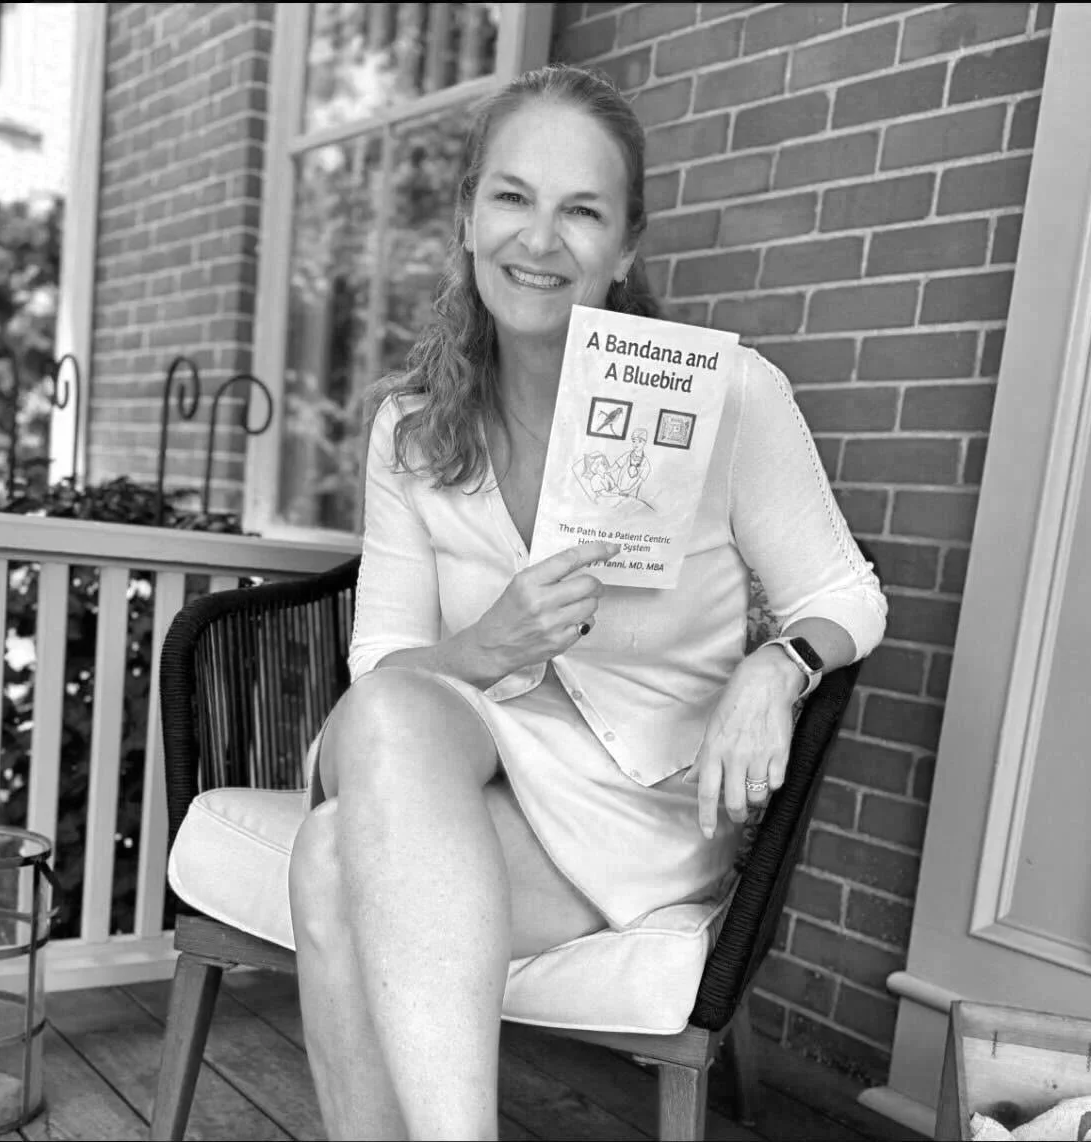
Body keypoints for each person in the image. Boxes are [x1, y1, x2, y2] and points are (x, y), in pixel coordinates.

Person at [287, 63, 888, 1141]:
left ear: (628, 245)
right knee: (379, 719)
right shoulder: (413, 430)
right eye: (513, 198)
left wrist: (778, 665)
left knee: (331, 861)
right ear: (469, 215)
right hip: (474, 764)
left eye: (582, 212)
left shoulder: (728, 395)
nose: (539, 240)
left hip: (649, 804)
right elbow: (383, 662)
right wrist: (487, 645)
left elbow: (844, 591)